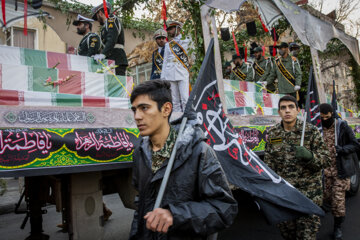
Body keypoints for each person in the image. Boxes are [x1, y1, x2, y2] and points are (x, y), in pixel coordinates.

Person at [129, 80, 238, 239]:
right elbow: (140, 205)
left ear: (166, 109)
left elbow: (224, 209)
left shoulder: (199, 152)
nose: (137, 116)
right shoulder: (141, 153)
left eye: (144, 108)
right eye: (134, 110)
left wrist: (175, 215)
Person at [264, 95, 330, 240]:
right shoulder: (273, 133)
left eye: (291, 107)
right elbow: (269, 166)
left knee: (306, 237)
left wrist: (310, 157)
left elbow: (327, 160)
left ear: (298, 110)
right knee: (288, 235)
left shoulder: (311, 131)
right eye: (283, 108)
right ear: (279, 112)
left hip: (308, 197)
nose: (287, 111)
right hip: (285, 198)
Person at [320, 103, 360, 240]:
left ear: (332, 114)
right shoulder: (318, 128)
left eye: (327, 117)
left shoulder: (341, 126)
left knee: (338, 201)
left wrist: (343, 149)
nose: (325, 120)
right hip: (325, 172)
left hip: (340, 171)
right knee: (325, 198)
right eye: (322, 117)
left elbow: (355, 144)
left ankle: (337, 228)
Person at [161, 20, 192, 112]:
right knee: (174, 101)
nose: (169, 31)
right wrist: (163, 77)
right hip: (170, 73)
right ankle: (176, 119)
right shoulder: (168, 45)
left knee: (185, 98)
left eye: (171, 29)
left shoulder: (187, 41)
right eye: (168, 29)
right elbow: (165, 61)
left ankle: (187, 118)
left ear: (177, 28)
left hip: (182, 72)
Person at [91, 2, 128, 75]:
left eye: (97, 17)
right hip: (111, 59)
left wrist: (103, 54)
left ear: (101, 13)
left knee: (117, 84)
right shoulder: (105, 26)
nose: (97, 20)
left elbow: (112, 38)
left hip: (116, 59)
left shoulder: (111, 20)